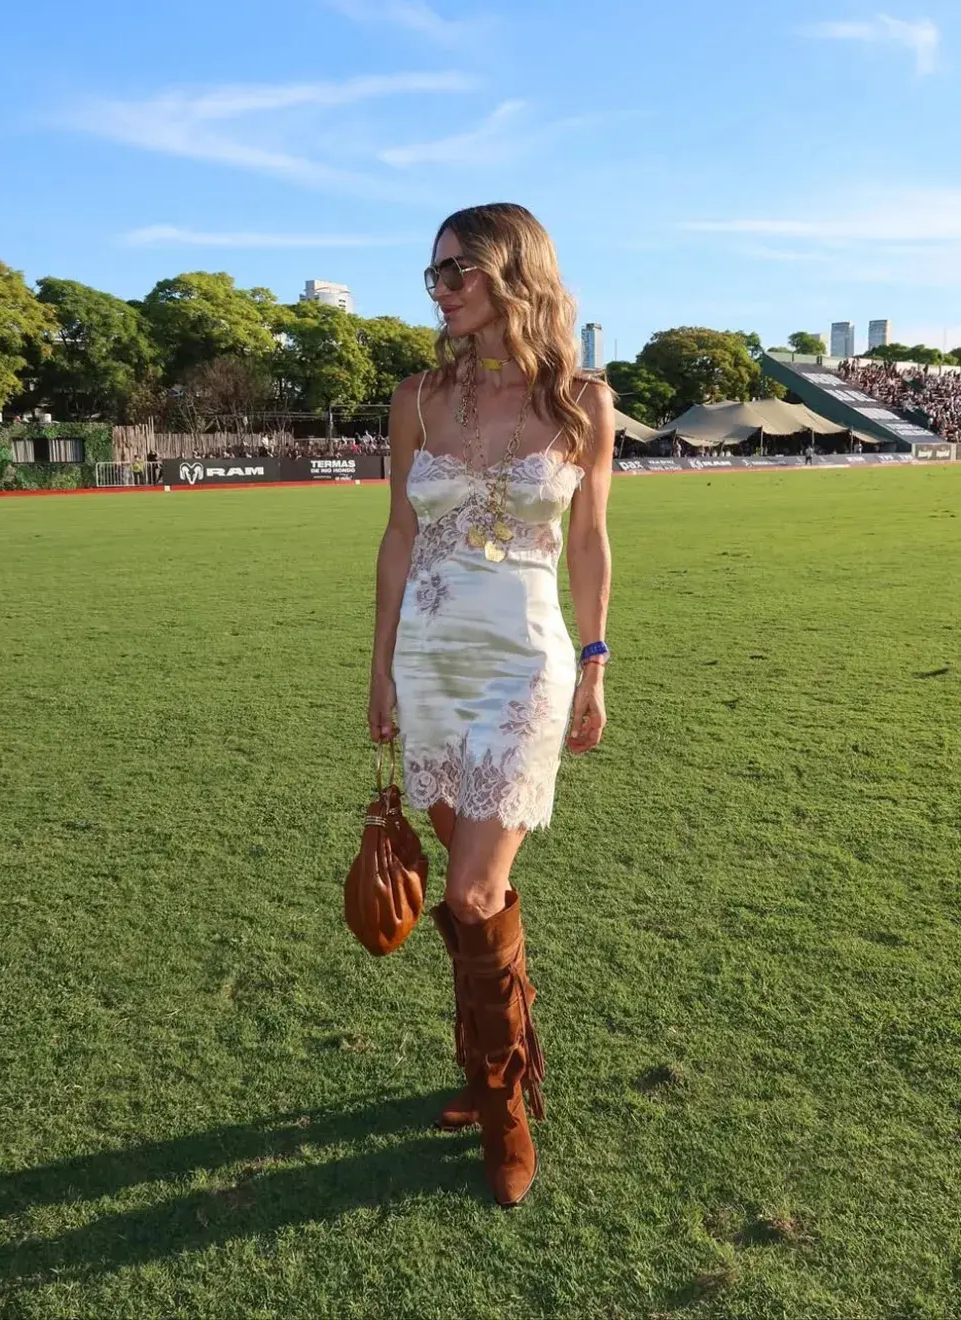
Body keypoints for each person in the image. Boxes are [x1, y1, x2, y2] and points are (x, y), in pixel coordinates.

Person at [367, 203, 614, 1207]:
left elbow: (592, 543)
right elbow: (394, 535)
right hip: (430, 657)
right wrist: (378, 665)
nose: (440, 287)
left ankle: (504, 1109)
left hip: (525, 662)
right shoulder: (416, 400)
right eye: (431, 274)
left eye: (457, 268)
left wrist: (596, 663)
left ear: (516, 270)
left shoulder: (584, 403)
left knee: (471, 892)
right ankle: (498, 1066)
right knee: (469, 905)